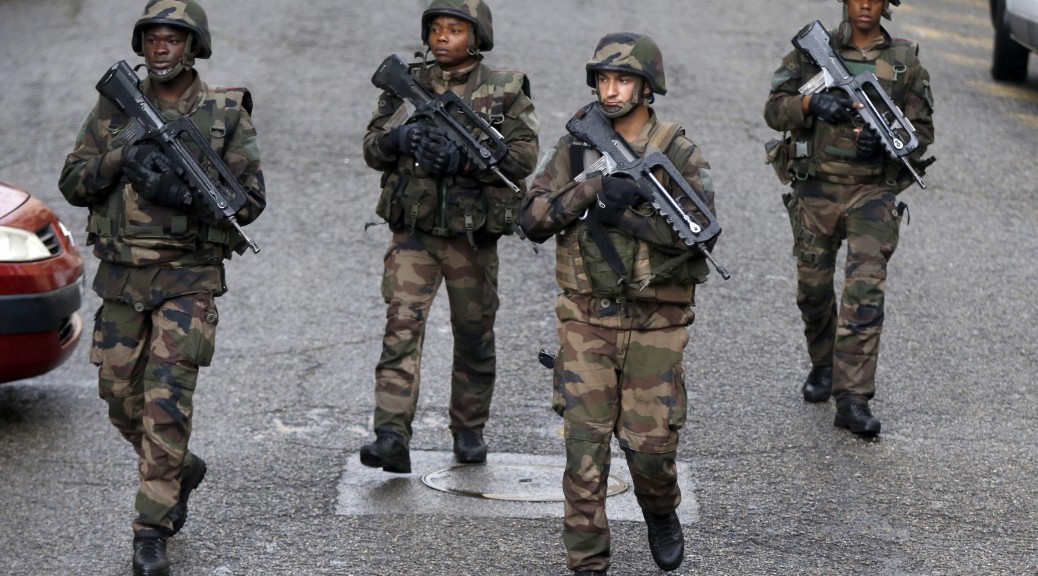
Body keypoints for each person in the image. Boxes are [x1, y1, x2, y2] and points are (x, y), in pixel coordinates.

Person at [58, 1, 265, 574]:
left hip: (187, 277)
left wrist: (183, 195)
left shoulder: (225, 113)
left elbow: (250, 201)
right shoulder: (117, 104)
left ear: (193, 46)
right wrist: (122, 160)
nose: (161, 48)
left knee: (166, 403)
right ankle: (180, 470)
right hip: (122, 275)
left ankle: (150, 528)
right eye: (152, 39)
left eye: (173, 39)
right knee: (118, 397)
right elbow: (73, 180)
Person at [519, 32, 719, 576]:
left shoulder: (677, 151)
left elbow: (700, 234)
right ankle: (588, 563)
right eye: (604, 80)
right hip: (587, 318)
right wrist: (590, 190)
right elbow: (531, 220)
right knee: (584, 450)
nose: (610, 91)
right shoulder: (575, 149)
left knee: (651, 451)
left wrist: (628, 214)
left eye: (623, 80)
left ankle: (661, 511)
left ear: (647, 88)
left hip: (657, 323)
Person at [359, 0, 539, 473]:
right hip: (413, 235)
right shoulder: (408, 84)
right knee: (400, 329)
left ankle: (469, 429)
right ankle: (391, 435)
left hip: (471, 238)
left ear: (477, 38)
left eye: (455, 30)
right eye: (436, 29)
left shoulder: (504, 90)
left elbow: (524, 156)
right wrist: (398, 140)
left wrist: (465, 160)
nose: (442, 37)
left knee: (474, 336)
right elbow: (372, 147)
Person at [764, 0, 934, 436]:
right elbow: (773, 110)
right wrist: (811, 105)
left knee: (865, 292)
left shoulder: (905, 60)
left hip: (872, 193)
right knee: (813, 290)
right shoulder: (810, 54)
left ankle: (853, 398)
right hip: (815, 189)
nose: (865, 4)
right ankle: (824, 365)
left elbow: (921, 133)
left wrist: (886, 147)